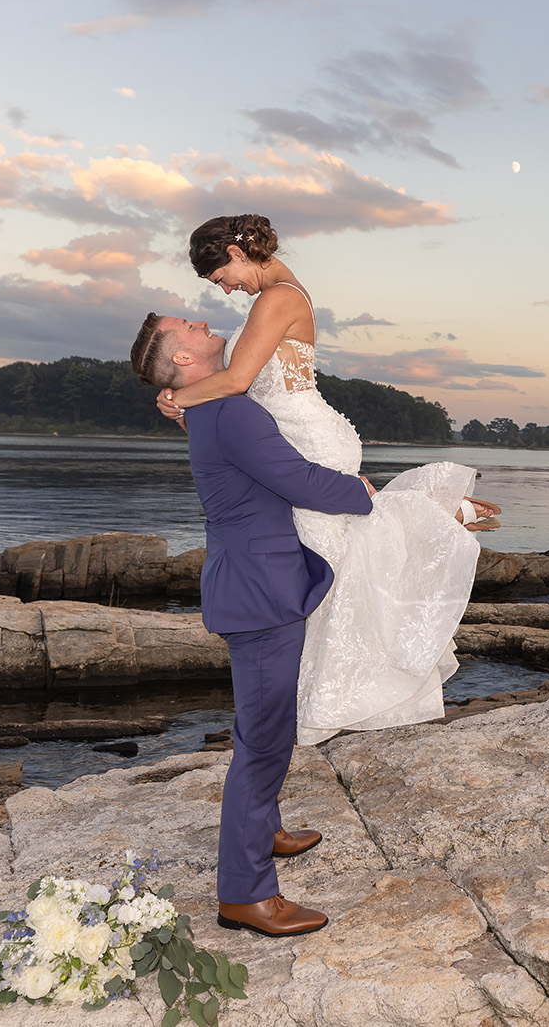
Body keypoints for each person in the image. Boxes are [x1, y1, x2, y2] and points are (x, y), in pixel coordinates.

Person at [152, 213, 497, 747]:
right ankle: (436, 516)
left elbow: (240, 381)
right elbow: (236, 390)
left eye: (222, 278)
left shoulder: (278, 297)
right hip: (289, 430)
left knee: (338, 552)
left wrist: (175, 398)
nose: (228, 290)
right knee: (343, 555)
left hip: (303, 431)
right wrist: (187, 408)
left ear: (238, 254)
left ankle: (435, 517)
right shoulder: (275, 297)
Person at [129, 313, 366, 938]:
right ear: (182, 358)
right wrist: (366, 493)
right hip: (260, 590)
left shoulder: (210, 406)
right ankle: (245, 894)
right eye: (189, 325)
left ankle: (266, 830)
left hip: (254, 577)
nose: (205, 320)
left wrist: (176, 402)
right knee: (262, 740)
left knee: (262, 724)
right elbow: (296, 480)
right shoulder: (227, 412)